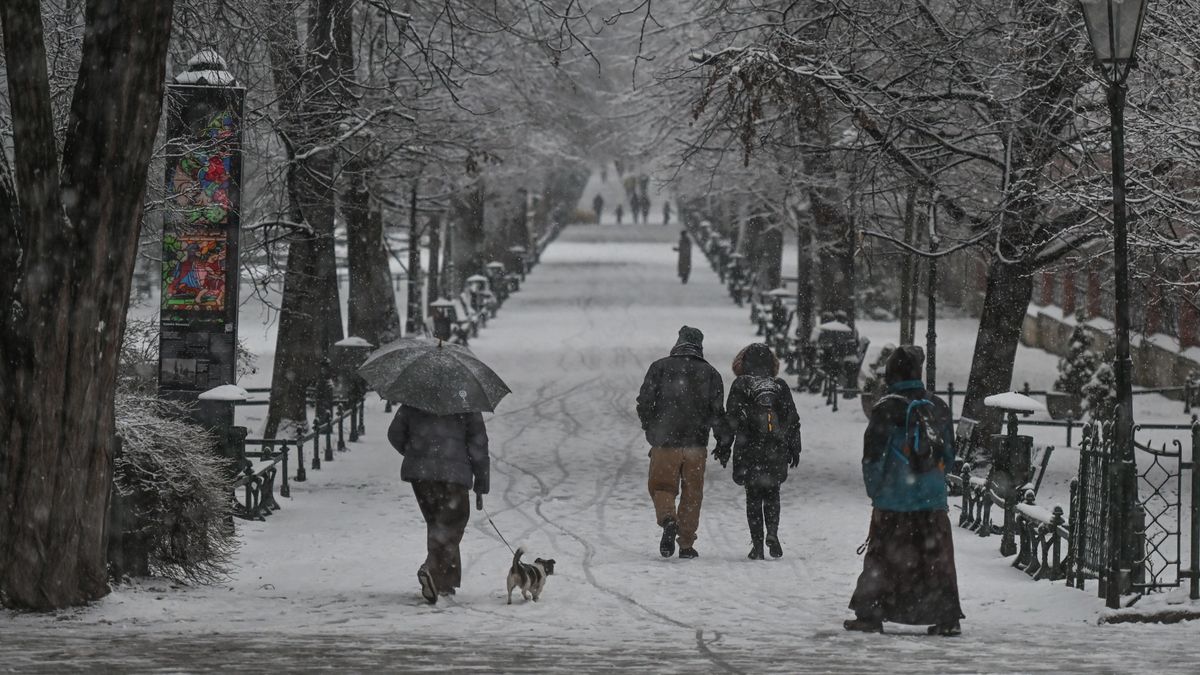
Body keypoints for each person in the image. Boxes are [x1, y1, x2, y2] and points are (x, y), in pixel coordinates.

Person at [845, 345, 963, 635]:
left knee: (883, 558)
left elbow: (872, 458)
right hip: (932, 500)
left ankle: (871, 614)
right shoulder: (937, 406)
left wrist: (877, 493)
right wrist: (932, 482)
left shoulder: (886, 408)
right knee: (936, 559)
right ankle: (946, 618)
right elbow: (949, 455)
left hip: (894, 499)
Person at [636, 326, 728, 559]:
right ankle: (686, 544)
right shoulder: (711, 374)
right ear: (700, 346)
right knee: (692, 493)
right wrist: (723, 441)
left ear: (678, 342)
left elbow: (644, 401)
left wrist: (651, 427)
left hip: (665, 442)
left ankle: (668, 519)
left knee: (662, 487)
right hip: (696, 445)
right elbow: (718, 413)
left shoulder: (659, 368)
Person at [388, 404, 490, 605]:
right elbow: (478, 443)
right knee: (454, 520)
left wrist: (416, 453)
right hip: (454, 475)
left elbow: (395, 434)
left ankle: (444, 583)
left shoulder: (415, 399)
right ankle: (432, 570)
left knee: (438, 524)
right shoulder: (466, 401)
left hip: (421, 476)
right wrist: (481, 481)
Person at [714, 344, 801, 559]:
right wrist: (794, 447)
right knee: (772, 494)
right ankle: (772, 532)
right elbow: (792, 420)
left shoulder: (741, 385)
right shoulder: (779, 386)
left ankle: (758, 546)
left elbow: (731, 419)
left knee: (753, 497)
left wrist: (724, 447)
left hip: (748, 448)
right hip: (775, 448)